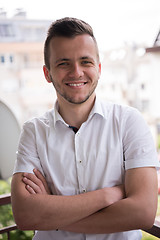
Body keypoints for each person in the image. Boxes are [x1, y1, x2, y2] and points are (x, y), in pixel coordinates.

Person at [11, 17, 159, 240]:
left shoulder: (130, 122)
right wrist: (109, 195)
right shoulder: (33, 131)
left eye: (85, 62)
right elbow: (25, 215)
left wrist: (51, 212)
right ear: (47, 73)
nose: (76, 72)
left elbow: (143, 213)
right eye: (63, 63)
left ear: (98, 68)